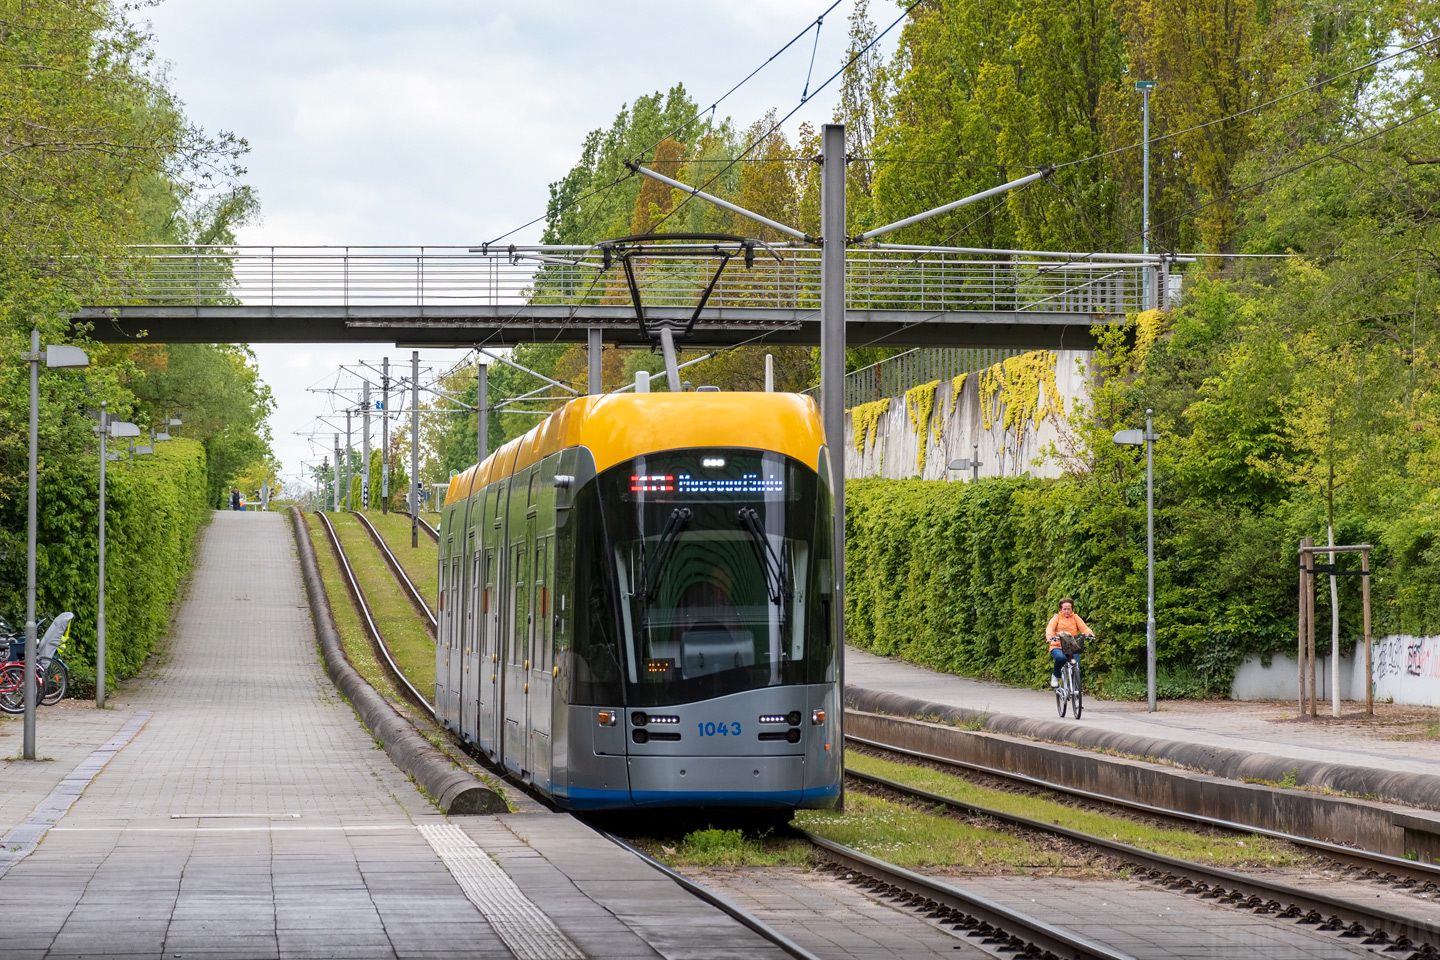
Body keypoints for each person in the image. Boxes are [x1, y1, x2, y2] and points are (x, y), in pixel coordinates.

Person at [1045, 597, 1092, 688]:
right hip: (1057, 646)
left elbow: (1083, 627)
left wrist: (1089, 633)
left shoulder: (1075, 617)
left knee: (1076, 665)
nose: (1067, 611)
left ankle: (1076, 687)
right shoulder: (1056, 617)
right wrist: (1050, 635)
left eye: (1069, 609)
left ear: (1072, 609)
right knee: (1061, 658)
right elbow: (1050, 627)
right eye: (1064, 609)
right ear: (1060, 609)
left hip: (1072, 647)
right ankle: (1056, 676)